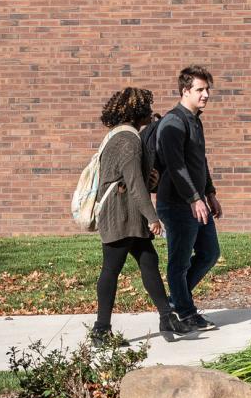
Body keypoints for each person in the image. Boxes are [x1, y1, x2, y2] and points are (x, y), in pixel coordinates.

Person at [89, 87, 179, 342]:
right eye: (147, 110)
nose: (150, 114)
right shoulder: (128, 140)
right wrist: (152, 218)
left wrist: (153, 178)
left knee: (149, 262)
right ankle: (101, 329)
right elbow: (135, 183)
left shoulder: (117, 136)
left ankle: (166, 317)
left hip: (127, 212)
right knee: (111, 269)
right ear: (137, 112)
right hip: (120, 214)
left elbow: (137, 180)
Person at [151, 66, 222, 331]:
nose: (206, 95)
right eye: (200, 90)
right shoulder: (172, 123)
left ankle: (175, 301)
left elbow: (199, 161)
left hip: (197, 202)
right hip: (176, 204)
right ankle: (185, 311)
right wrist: (194, 198)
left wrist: (210, 193)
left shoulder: (195, 120)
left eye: (207, 89)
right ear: (185, 91)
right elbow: (176, 166)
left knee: (209, 253)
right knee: (179, 262)